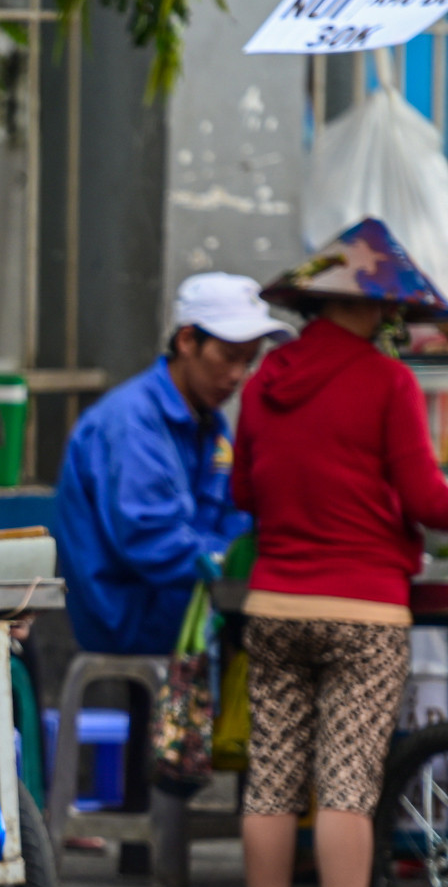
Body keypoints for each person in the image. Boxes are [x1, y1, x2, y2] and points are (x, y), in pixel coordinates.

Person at [232, 219, 448, 887]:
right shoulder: (388, 383)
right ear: (374, 306)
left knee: (271, 784)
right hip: (365, 611)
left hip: (273, 603)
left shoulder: (265, 382)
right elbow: (427, 501)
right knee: (345, 784)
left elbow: (243, 492)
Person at [55, 272, 291, 657]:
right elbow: (152, 542)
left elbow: (236, 516)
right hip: (133, 616)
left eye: (248, 361)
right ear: (186, 341)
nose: (237, 376)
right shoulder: (131, 421)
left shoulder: (212, 425)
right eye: (228, 357)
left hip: (188, 607)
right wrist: (242, 566)